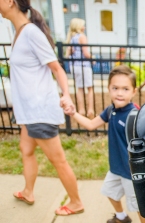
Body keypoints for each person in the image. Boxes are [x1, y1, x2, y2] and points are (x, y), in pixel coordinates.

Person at [0, 0, 84, 216]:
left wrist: (66, 95)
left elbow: (57, 68)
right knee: (26, 151)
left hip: (39, 111)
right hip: (28, 112)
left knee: (58, 161)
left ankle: (76, 202)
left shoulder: (31, 33)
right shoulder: (19, 33)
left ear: (10, 2)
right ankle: (28, 191)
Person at [69, 65, 145, 223]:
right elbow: (91, 125)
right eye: (115, 88)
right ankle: (121, 217)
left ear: (134, 91)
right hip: (115, 168)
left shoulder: (135, 116)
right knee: (110, 192)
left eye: (125, 89)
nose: (119, 93)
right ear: (108, 89)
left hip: (131, 172)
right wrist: (73, 113)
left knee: (139, 207)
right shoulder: (110, 109)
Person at [65, 18, 95, 119]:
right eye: (83, 25)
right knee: (90, 88)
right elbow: (86, 53)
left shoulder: (71, 37)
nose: (84, 27)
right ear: (79, 27)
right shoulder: (82, 37)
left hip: (75, 66)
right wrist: (93, 58)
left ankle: (81, 110)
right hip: (84, 66)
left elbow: (68, 53)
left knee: (80, 88)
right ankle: (90, 110)